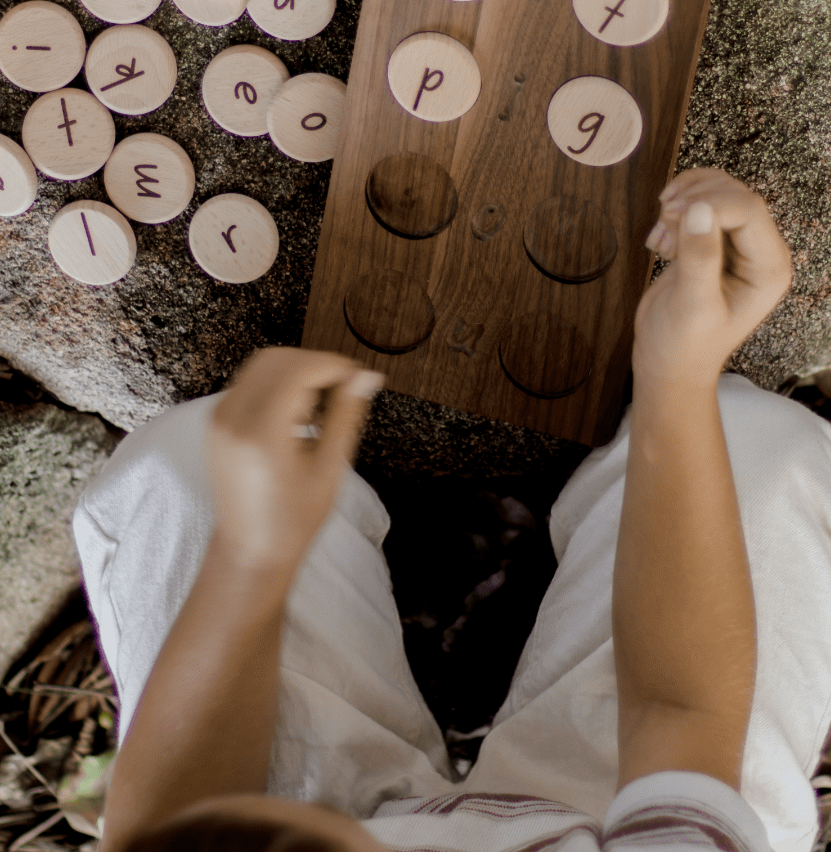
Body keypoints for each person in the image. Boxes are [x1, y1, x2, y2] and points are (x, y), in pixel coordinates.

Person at [73, 168, 831, 852]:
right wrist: (677, 376)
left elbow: (168, 826)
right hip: (618, 810)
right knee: (752, 450)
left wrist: (249, 562)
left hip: (332, 817)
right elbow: (681, 708)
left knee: (191, 470)